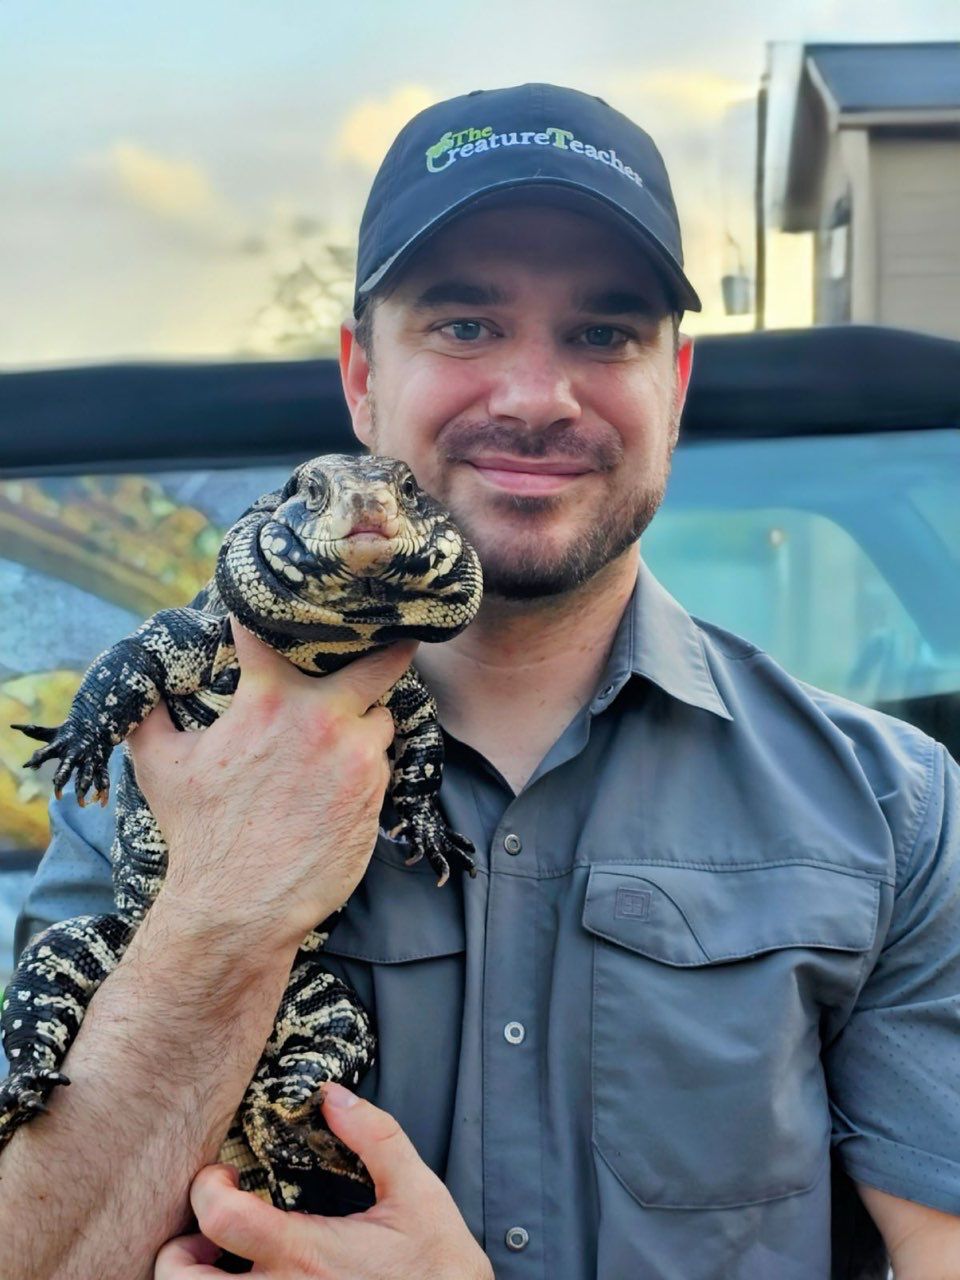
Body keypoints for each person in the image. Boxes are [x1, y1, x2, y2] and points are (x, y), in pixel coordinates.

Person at [2, 83, 959, 1280]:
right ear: (360, 374)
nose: (532, 395)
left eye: (605, 333)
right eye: (463, 325)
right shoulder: (157, 751)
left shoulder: (898, 815)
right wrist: (222, 906)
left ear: (677, 382)